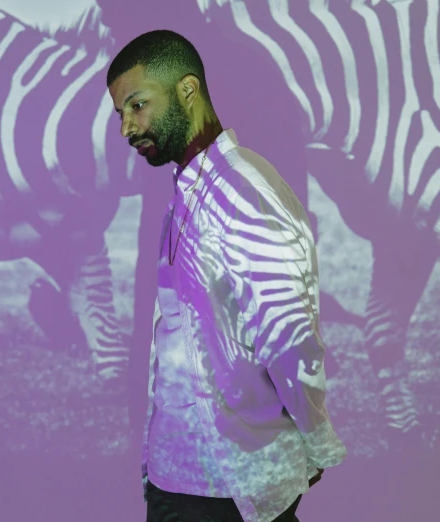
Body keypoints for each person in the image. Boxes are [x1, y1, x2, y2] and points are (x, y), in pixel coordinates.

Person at [107, 30, 347, 522]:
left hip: (232, 494)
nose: (127, 129)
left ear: (187, 90)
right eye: (121, 114)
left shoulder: (244, 194)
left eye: (137, 105)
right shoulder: (186, 192)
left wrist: (316, 442)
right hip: (179, 481)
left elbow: (290, 336)